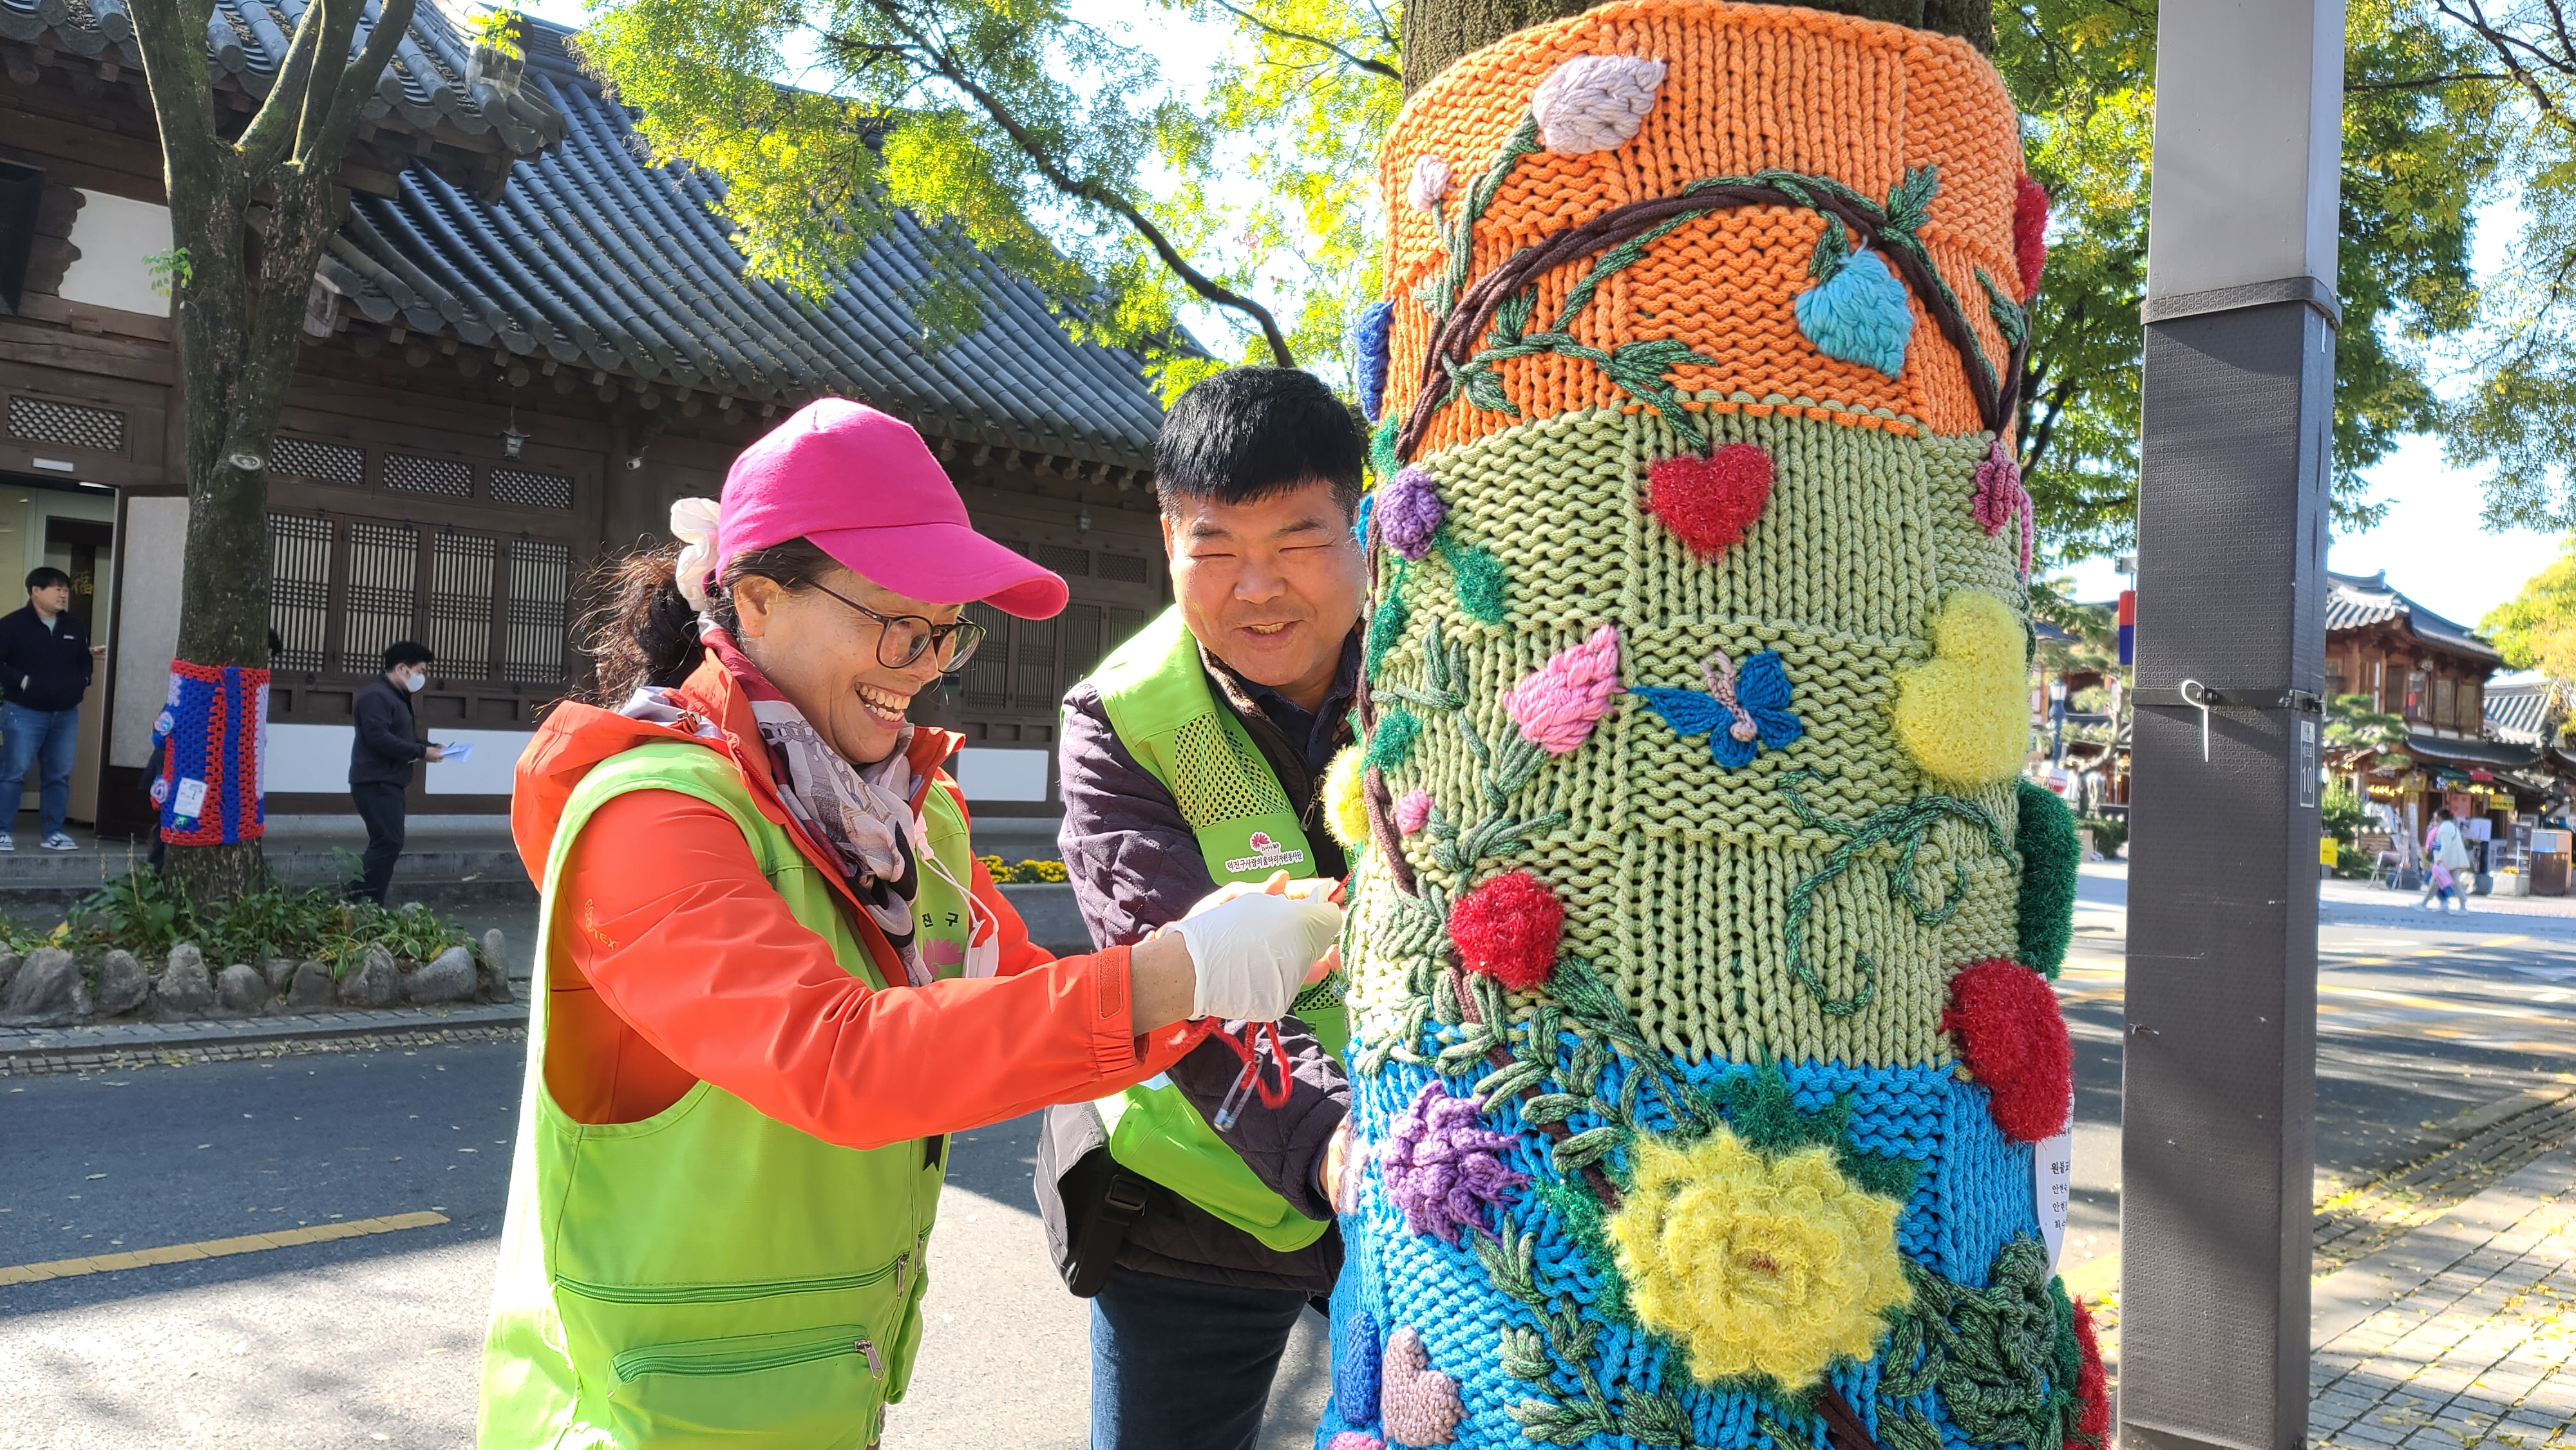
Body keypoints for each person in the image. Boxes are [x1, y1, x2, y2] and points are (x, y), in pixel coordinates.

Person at [478, 397, 1342, 1449]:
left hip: (822, 1393)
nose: (924, 664)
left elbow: (1012, 997)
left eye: (943, 633)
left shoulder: (899, 817)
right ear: (757, 600)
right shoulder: (653, 812)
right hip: (632, 1416)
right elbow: (836, 1060)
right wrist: (1177, 974)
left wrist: (1212, 959)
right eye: (896, 623)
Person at [1048, 366, 1367, 1450]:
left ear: (1364, 523)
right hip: (1193, 1210)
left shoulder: (1450, 665)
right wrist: (1335, 1144)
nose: (1257, 588)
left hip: (1421, 1170)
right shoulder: (1123, 716)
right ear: (1167, 538)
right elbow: (1179, 978)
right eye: (1215, 546)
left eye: (1299, 540)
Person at [0, 565, 106, 851]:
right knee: (13, 772)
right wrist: (21, 681)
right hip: (23, 711)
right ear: (36, 591)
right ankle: (2, 831)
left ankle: (53, 833)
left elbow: (83, 660)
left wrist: (83, 681)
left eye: (65, 590)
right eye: (57, 589)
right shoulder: (12, 625)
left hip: (65, 713)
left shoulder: (73, 625)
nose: (63, 595)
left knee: (58, 774)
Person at [348, 641, 442, 906]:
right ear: (403, 669)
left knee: (389, 842)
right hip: (375, 781)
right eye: (421, 671)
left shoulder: (395, 696)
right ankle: (357, 900)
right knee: (388, 842)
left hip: (389, 781)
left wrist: (429, 747)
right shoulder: (377, 697)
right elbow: (379, 739)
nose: (423, 677)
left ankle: (368, 902)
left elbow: (403, 738)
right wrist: (422, 752)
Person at [2423, 810, 2474, 912]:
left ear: (2441, 817)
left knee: (2435, 881)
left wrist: (2439, 860)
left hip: (2447, 861)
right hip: (2450, 860)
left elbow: (2445, 846)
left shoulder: (2445, 828)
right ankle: (2459, 904)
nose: (2435, 819)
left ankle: (2426, 904)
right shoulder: (2449, 826)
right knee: (2449, 883)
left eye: (2436, 817)